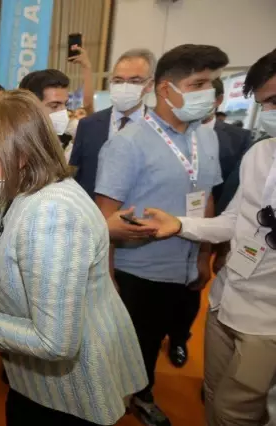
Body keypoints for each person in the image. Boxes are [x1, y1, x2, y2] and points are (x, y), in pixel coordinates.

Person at [0, 90, 147, 426]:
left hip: (67, 395)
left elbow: (54, 342)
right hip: (45, 381)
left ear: (20, 153)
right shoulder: (32, 189)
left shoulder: (51, 215)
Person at [95, 44, 229, 426]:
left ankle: (138, 391)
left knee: (161, 339)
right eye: (198, 83)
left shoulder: (207, 138)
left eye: (211, 83)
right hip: (139, 269)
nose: (208, 92)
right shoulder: (126, 143)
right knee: (136, 343)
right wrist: (107, 278)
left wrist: (203, 257)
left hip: (185, 264)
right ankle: (136, 396)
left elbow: (208, 200)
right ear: (167, 89)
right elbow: (104, 217)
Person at [142, 48, 276, 426]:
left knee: (238, 413)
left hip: (267, 323)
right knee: (214, 396)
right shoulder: (261, 154)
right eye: (266, 103)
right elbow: (234, 221)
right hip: (226, 302)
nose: (269, 112)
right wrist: (180, 225)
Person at [165, 77, 253, 368]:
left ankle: (179, 339)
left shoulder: (238, 139)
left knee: (192, 293)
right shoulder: (165, 132)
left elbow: (237, 198)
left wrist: (217, 248)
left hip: (213, 228)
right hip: (166, 228)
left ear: (217, 101)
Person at [70, 48, 156, 197]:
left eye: (134, 81)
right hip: (92, 213)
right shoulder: (88, 125)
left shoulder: (159, 127)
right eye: (118, 80)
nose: (124, 86)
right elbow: (77, 175)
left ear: (149, 84)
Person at [18, 69, 77, 157]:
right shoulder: (10, 148)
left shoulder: (64, 147)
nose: (63, 112)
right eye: (54, 106)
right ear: (29, 107)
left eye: (66, 104)